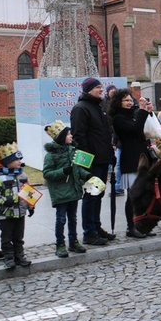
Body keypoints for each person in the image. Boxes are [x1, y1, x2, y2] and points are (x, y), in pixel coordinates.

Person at [70, 77, 115, 246]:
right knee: (91, 196)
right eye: (98, 87)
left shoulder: (98, 107)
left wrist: (110, 154)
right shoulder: (81, 109)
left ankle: (96, 227)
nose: (101, 89)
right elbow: (79, 137)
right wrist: (87, 163)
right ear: (88, 90)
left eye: (101, 86)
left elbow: (104, 133)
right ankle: (89, 232)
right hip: (91, 163)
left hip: (102, 160)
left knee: (99, 195)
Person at [43, 120, 92, 258]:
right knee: (61, 219)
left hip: (73, 190)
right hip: (61, 193)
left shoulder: (73, 150)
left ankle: (73, 241)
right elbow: (47, 174)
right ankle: (60, 244)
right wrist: (64, 171)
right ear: (61, 137)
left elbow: (77, 168)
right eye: (69, 134)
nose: (71, 136)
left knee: (73, 218)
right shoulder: (51, 155)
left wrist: (87, 175)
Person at [110, 88, 155, 239]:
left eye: (131, 100)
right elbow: (135, 129)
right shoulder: (118, 118)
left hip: (142, 157)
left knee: (143, 195)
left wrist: (147, 111)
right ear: (119, 102)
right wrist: (142, 111)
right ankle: (131, 227)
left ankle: (142, 225)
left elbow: (144, 128)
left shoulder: (133, 113)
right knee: (132, 196)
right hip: (130, 160)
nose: (130, 103)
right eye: (126, 100)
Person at [0, 143, 33, 269]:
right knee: (6, 236)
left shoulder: (22, 175)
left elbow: (28, 192)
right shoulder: (0, 178)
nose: (19, 161)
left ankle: (19, 255)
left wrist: (30, 206)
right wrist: (4, 201)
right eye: (16, 159)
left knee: (18, 236)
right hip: (4, 213)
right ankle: (8, 257)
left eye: (20, 159)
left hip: (20, 212)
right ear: (7, 162)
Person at [103, 85, 124, 196]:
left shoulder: (121, 108)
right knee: (119, 164)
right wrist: (114, 142)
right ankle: (118, 187)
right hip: (116, 139)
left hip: (124, 142)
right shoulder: (104, 103)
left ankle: (122, 187)